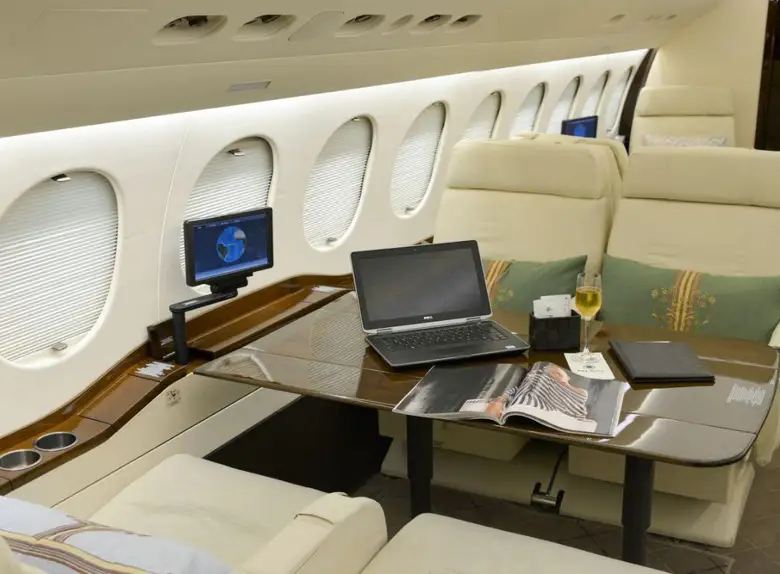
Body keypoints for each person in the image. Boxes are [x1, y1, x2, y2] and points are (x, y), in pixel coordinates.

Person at [512, 363, 592, 422]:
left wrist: (565, 385)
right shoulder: (546, 382)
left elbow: (580, 399)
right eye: (552, 373)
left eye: (559, 372)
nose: (555, 373)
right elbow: (527, 385)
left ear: (568, 377)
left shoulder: (581, 392)